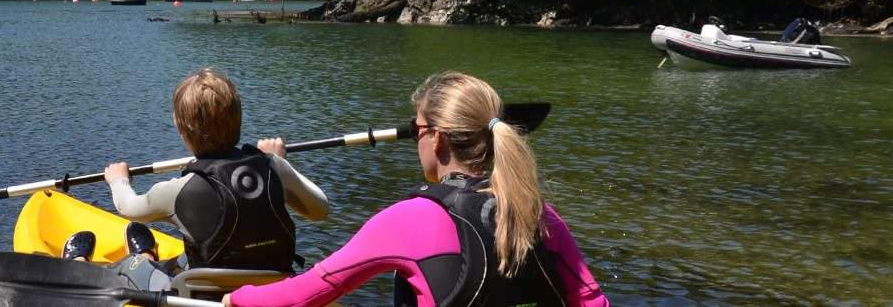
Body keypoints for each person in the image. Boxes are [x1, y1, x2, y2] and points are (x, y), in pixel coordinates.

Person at [223, 72, 608, 307]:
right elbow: (591, 300)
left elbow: (309, 292)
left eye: (417, 129)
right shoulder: (538, 211)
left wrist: (237, 299)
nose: (415, 139)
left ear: (437, 140)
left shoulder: (410, 219)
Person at [61, 69, 331, 276]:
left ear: (181, 129)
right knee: (182, 260)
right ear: (239, 119)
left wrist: (118, 180)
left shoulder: (177, 191)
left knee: (129, 273)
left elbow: (128, 208)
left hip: (209, 295)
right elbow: (319, 210)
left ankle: (99, 264)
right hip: (273, 283)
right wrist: (281, 163)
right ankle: (148, 254)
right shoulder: (273, 167)